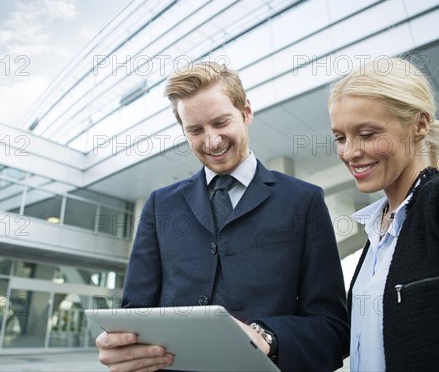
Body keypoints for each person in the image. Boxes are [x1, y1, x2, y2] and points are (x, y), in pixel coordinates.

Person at [96, 61, 349, 372]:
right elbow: (135, 317)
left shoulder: (303, 201)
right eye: (196, 130)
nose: (212, 141)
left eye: (220, 122)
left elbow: (333, 329)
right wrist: (122, 348)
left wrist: (266, 337)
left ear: (246, 113)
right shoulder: (159, 205)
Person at [327, 57, 439, 371]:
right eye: (340, 138)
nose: (349, 152)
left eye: (368, 134)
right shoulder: (376, 234)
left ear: (419, 124)